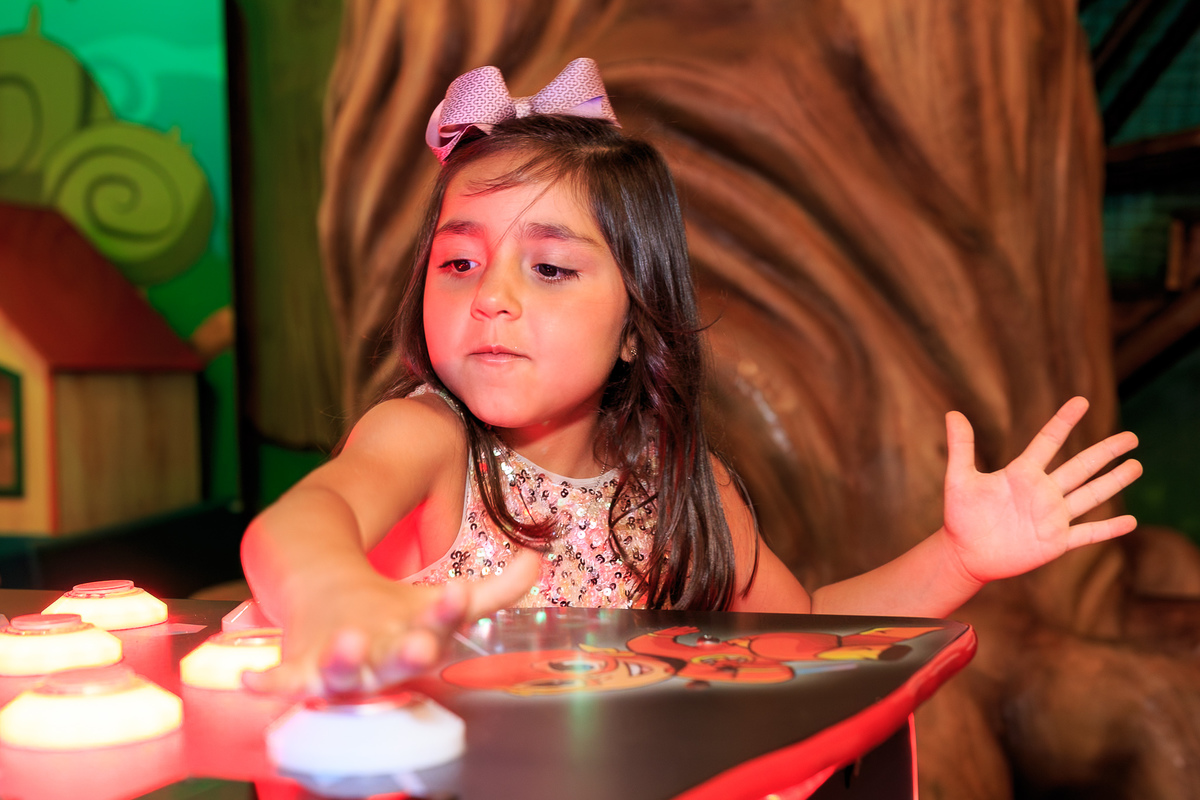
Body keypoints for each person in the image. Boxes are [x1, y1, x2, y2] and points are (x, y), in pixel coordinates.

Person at [240, 58, 1142, 698]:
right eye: (459, 263)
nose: (493, 299)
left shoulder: (678, 485)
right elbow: (299, 524)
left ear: (637, 324)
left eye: (549, 268)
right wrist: (333, 592)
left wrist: (958, 558)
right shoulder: (428, 439)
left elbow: (799, 629)